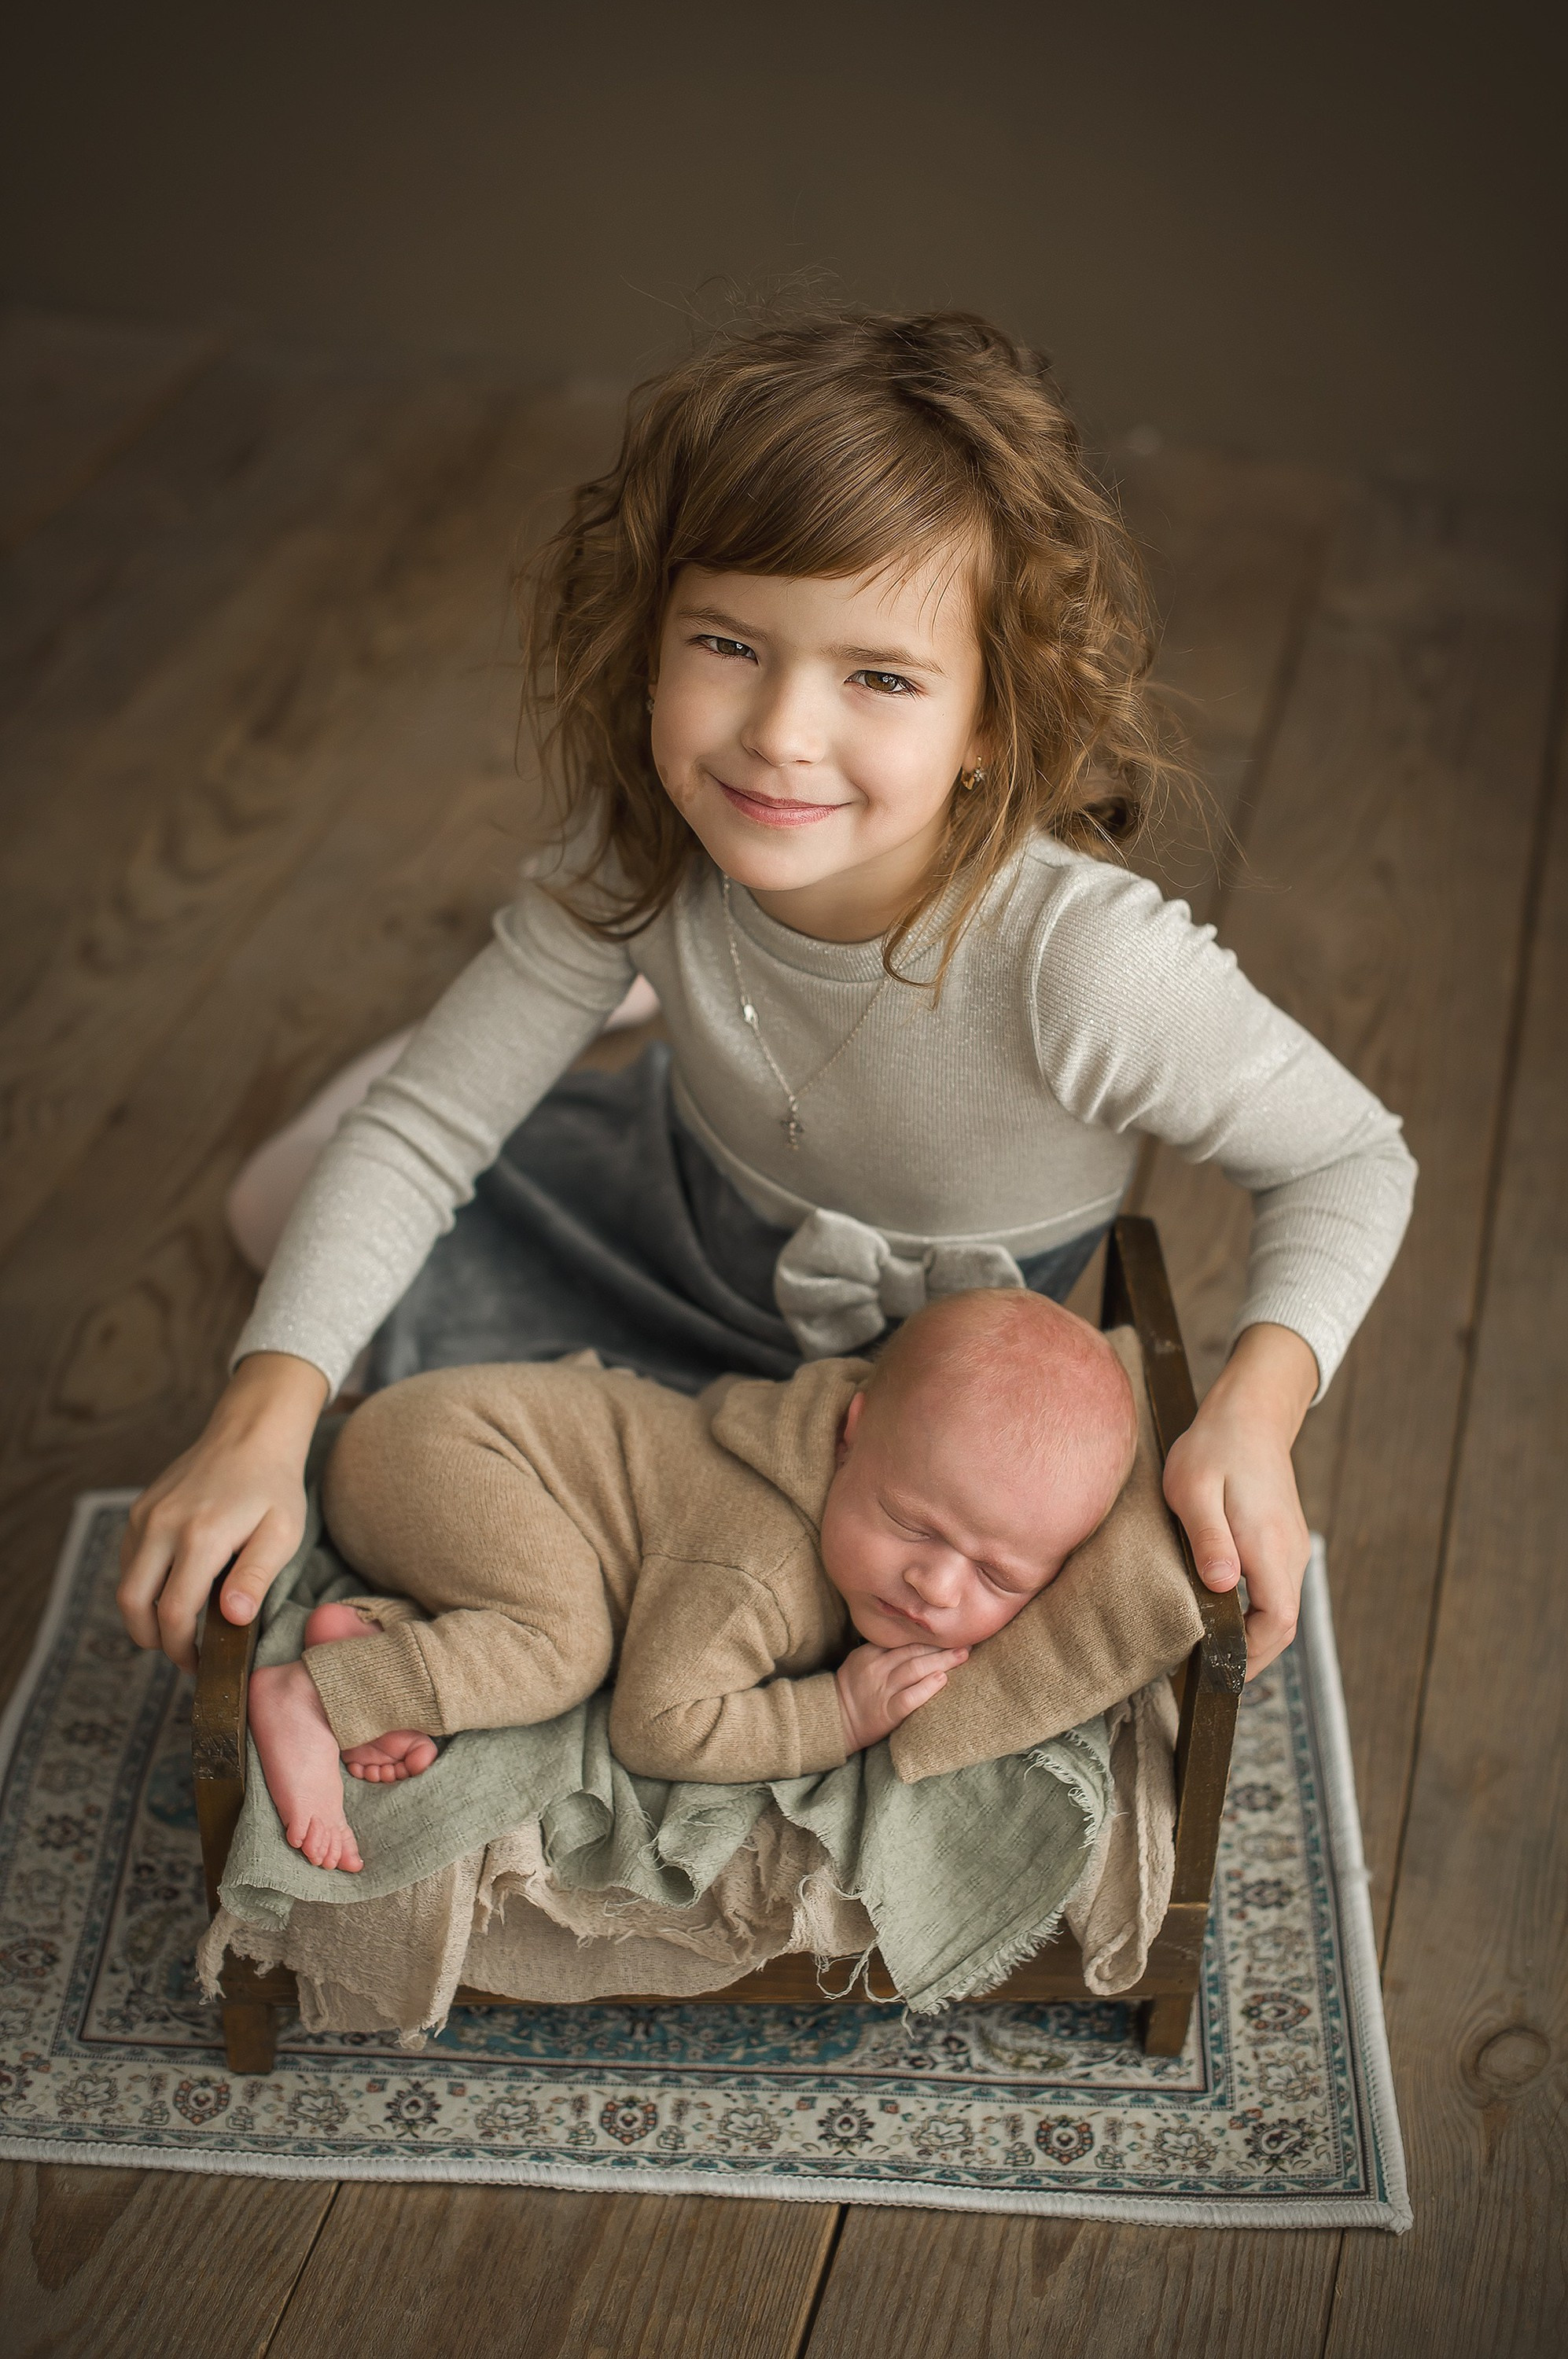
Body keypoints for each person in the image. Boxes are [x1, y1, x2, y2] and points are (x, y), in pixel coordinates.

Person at [116, 307, 1415, 1693]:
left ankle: (586, 1027)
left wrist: (1254, 1415)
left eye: (879, 676)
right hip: (674, 1227)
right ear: (651, 642)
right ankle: (557, 1029)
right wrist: (256, 1416)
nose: (783, 735)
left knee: (789, 1619)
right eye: (729, 644)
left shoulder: (1082, 964)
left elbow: (1351, 1158)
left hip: (930, 1394)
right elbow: (421, 1135)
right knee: (282, 1224)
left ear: (989, 722)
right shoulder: (644, 855)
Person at [248, 1290, 1138, 1871]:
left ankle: (389, 1637)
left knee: (562, 1583)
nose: (934, 1587)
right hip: (438, 1452)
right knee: (563, 1647)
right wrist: (834, 1714)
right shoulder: (761, 1566)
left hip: (468, 1473)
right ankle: (317, 1696)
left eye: (996, 1574)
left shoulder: (863, 1484)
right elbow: (656, 1726)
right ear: (849, 1434)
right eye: (910, 1523)